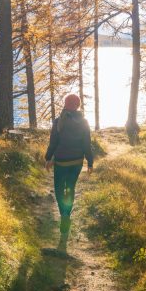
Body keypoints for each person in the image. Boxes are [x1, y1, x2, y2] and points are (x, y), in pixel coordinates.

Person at [45, 94, 94, 235]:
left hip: (61, 162)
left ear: (66, 104)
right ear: (78, 106)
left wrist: (48, 157)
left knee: (59, 189)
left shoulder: (58, 121)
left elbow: (53, 142)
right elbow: (87, 144)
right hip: (77, 162)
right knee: (70, 187)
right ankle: (67, 214)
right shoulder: (84, 122)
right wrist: (90, 162)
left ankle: (64, 215)